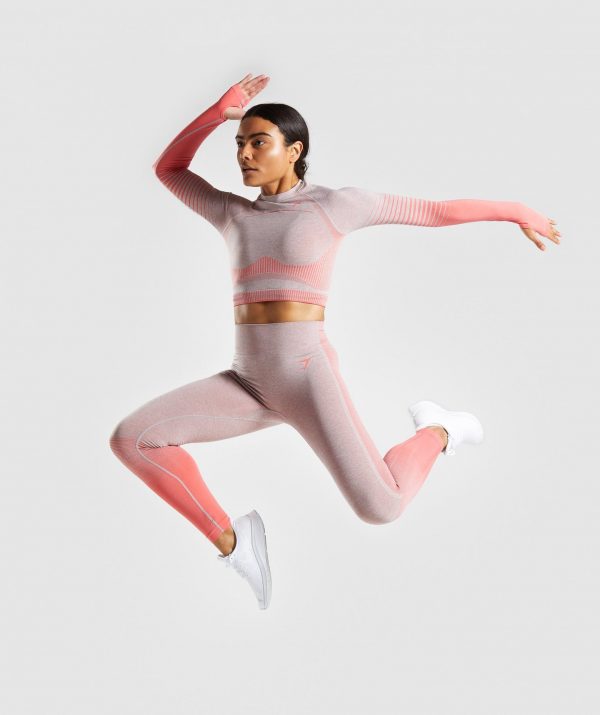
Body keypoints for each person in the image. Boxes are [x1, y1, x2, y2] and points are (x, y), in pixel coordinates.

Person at [109, 73, 561, 610]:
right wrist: (215, 111)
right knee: (134, 439)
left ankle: (440, 430)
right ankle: (234, 543)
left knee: (381, 507)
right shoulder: (230, 211)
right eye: (239, 143)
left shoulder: (336, 205)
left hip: (305, 374)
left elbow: (435, 212)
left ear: (294, 150)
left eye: (259, 142)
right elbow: (170, 169)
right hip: (247, 381)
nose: (244, 154)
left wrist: (516, 210)